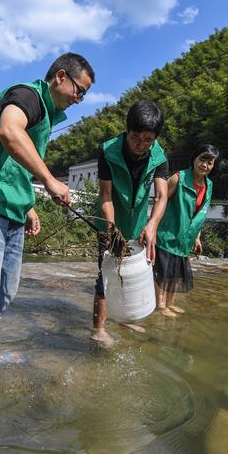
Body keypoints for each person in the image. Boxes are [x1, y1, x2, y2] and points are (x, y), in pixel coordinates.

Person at [0, 52, 94, 402]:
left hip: (9, 209)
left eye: (83, 95)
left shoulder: (46, 115)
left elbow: (15, 165)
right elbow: (9, 131)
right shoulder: (28, 95)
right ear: (60, 77)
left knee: (4, 290)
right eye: (79, 90)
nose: (79, 100)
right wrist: (50, 181)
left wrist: (29, 206)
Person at [91, 100, 169, 347]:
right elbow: (105, 195)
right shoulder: (108, 151)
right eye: (137, 138)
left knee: (134, 270)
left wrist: (152, 225)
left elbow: (162, 195)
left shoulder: (158, 156)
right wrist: (111, 229)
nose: (142, 145)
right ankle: (98, 329)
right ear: (127, 130)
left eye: (148, 140)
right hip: (110, 219)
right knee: (107, 273)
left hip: (138, 224)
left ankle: (124, 318)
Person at [154, 144, 219, 317]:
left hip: (185, 238)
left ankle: (169, 304)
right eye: (202, 160)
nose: (205, 165)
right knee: (163, 272)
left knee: (175, 274)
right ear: (194, 159)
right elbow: (160, 201)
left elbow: (199, 214)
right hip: (167, 234)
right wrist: (152, 227)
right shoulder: (178, 178)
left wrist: (197, 238)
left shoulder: (209, 185)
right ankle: (160, 306)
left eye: (210, 162)